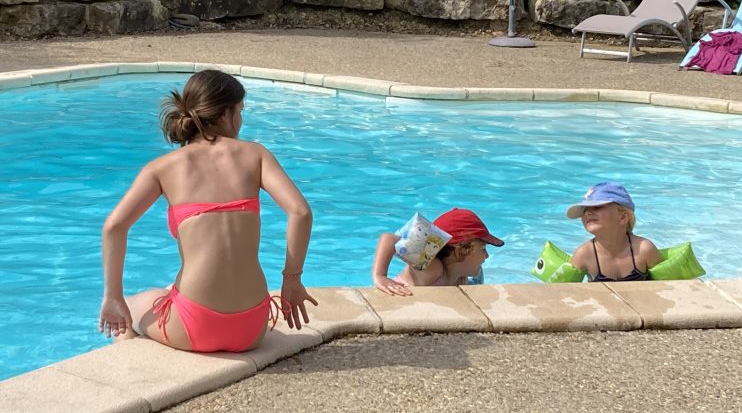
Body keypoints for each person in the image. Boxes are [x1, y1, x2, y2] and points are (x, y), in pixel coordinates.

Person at [98, 69, 317, 352]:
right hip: (252, 327)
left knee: (125, 309)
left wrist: (112, 297)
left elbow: (114, 227)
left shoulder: (163, 167)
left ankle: (124, 370)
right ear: (226, 114)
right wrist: (292, 280)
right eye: (241, 111)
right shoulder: (256, 154)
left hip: (194, 327)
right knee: (167, 290)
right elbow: (300, 212)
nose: (241, 120)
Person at [371, 208, 504, 296]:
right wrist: (380, 276)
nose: (487, 255)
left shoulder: (462, 275)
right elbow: (389, 239)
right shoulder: (433, 269)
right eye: (483, 249)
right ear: (461, 251)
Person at [567, 182, 663, 282]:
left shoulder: (644, 249)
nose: (587, 213)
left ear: (623, 217)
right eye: (584, 209)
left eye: (597, 207)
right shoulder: (584, 254)